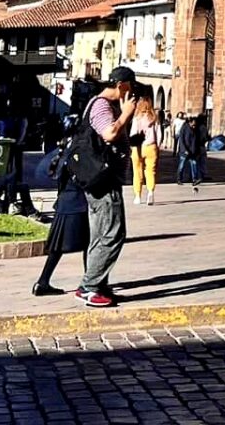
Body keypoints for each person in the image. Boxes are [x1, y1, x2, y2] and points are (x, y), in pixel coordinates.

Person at [77, 65, 138, 307]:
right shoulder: (102, 105)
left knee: (100, 234)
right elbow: (109, 134)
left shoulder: (101, 104)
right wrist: (126, 114)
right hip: (104, 181)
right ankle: (90, 287)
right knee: (113, 233)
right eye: (130, 87)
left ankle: (98, 284)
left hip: (102, 179)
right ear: (122, 85)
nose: (132, 92)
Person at [34, 123, 91, 296]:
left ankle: (42, 282)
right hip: (77, 203)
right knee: (88, 244)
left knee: (57, 248)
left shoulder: (63, 151)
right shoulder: (77, 152)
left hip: (63, 204)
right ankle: (90, 283)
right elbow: (84, 178)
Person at [129, 87, 160, 206]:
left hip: (138, 147)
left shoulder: (137, 119)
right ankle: (150, 192)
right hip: (151, 146)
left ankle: (137, 196)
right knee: (151, 171)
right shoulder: (154, 118)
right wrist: (157, 145)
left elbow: (133, 134)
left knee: (137, 172)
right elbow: (159, 134)